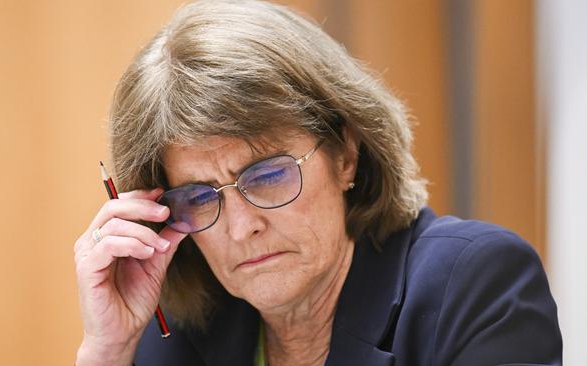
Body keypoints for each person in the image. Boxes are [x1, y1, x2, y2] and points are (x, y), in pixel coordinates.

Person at [73, 1, 562, 365]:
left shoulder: (472, 285)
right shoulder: (176, 335)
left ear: (345, 154)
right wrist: (108, 349)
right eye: (199, 197)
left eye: (266, 175)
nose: (243, 228)